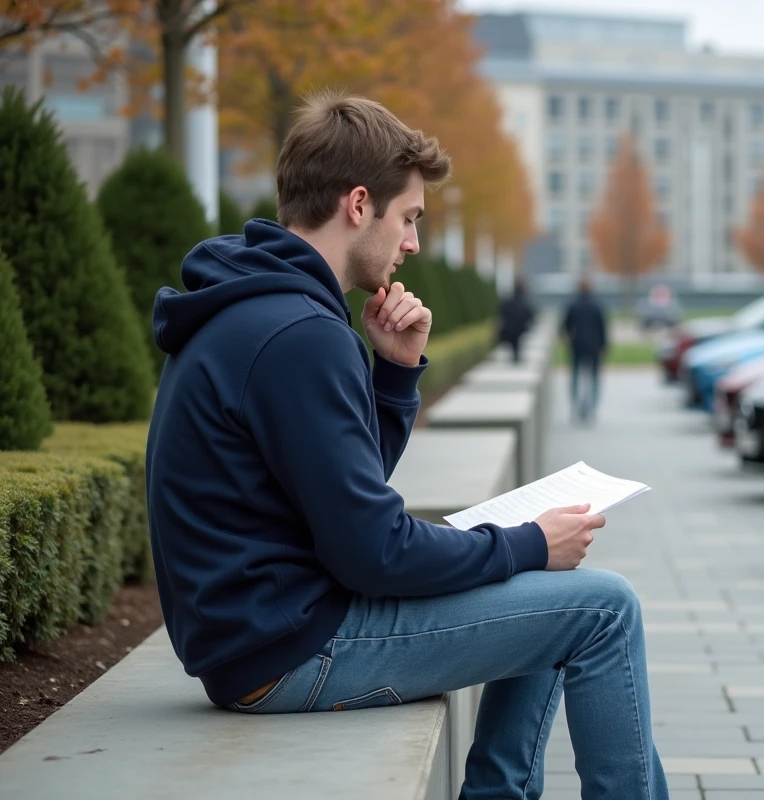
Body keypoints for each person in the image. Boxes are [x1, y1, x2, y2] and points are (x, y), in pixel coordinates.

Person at [145, 90, 669, 800]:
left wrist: (392, 375)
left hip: (261, 636)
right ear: (358, 204)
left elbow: (343, 493)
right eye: (410, 218)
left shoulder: (262, 308)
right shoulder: (299, 334)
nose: (414, 244)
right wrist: (525, 544)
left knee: (551, 599)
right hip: (294, 650)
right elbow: (373, 550)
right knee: (605, 609)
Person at [561, 277, 609, 423]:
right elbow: (603, 328)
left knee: (575, 377)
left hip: (577, 345)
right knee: (594, 378)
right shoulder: (597, 305)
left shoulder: (573, 304)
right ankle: (592, 408)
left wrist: (569, 340)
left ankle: (575, 407)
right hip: (594, 346)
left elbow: (565, 326)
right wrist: (603, 346)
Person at [497, 277, 535, 362]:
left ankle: (515, 357)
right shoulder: (524, 300)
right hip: (519, 328)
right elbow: (530, 314)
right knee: (516, 344)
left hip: (511, 327)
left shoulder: (509, 299)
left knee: (514, 345)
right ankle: (516, 357)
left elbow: (501, 312)